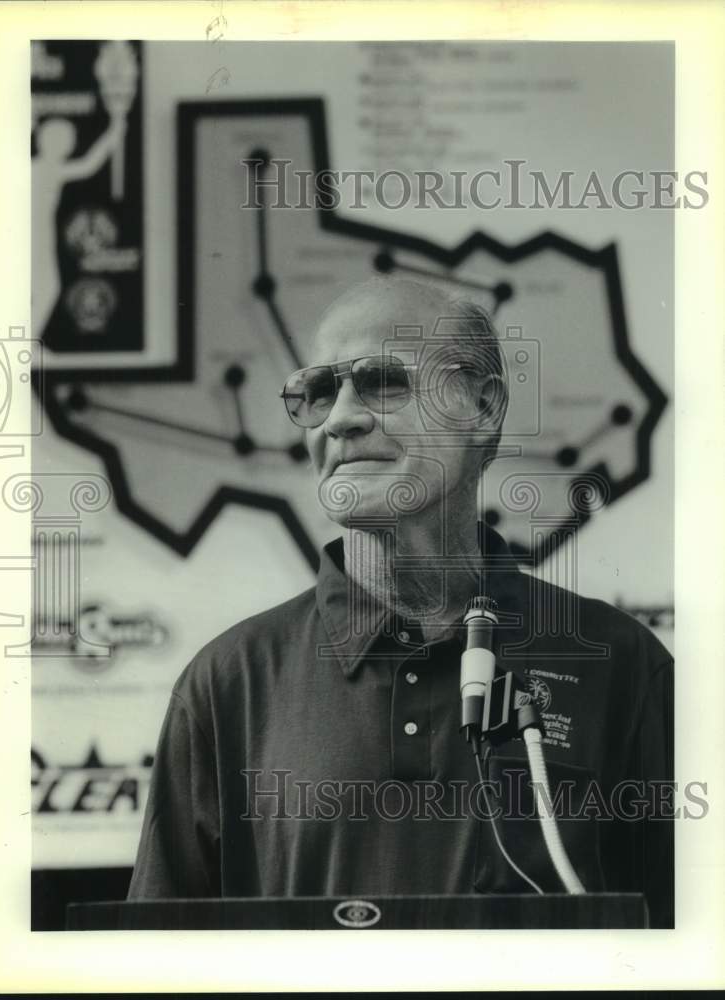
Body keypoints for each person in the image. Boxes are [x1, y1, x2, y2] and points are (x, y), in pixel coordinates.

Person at [128, 277, 673, 927]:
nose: (340, 417)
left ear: (484, 407)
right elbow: (154, 960)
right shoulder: (228, 682)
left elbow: (690, 942)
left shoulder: (618, 662)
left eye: (384, 381)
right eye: (319, 392)